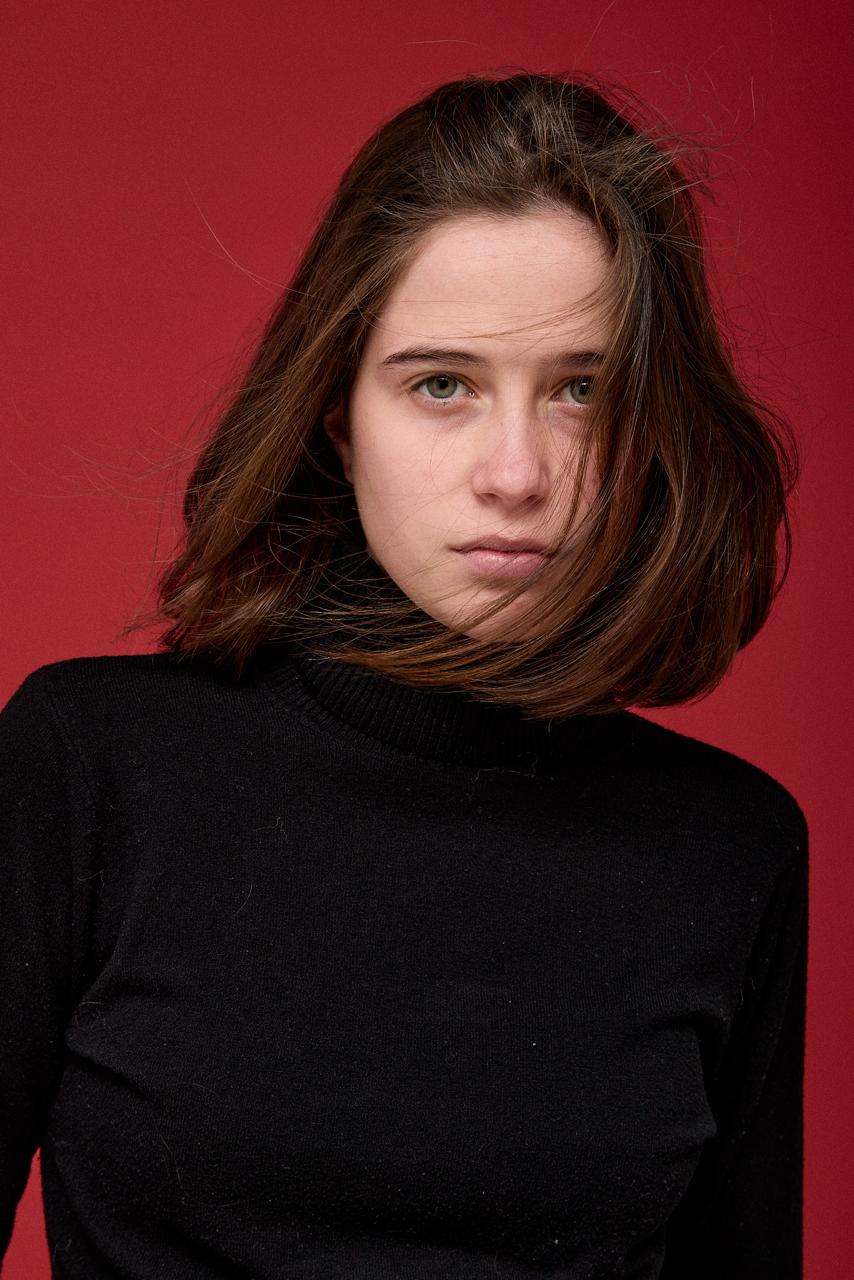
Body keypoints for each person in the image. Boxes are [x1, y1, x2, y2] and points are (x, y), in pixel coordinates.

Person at [0, 71, 809, 1278]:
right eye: (441, 384)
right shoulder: (89, 767)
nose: (515, 473)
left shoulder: (730, 846)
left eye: (582, 390)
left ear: (658, 426)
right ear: (339, 414)